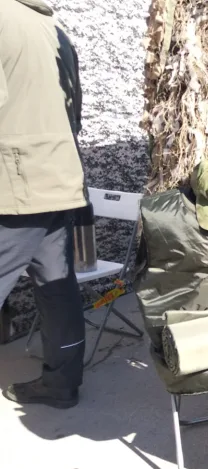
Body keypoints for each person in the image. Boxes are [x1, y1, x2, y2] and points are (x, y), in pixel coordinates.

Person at [0, 0, 87, 409]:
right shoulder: (54, 28)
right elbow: (75, 109)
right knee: (57, 287)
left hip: (14, 184)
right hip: (57, 177)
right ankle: (60, 385)